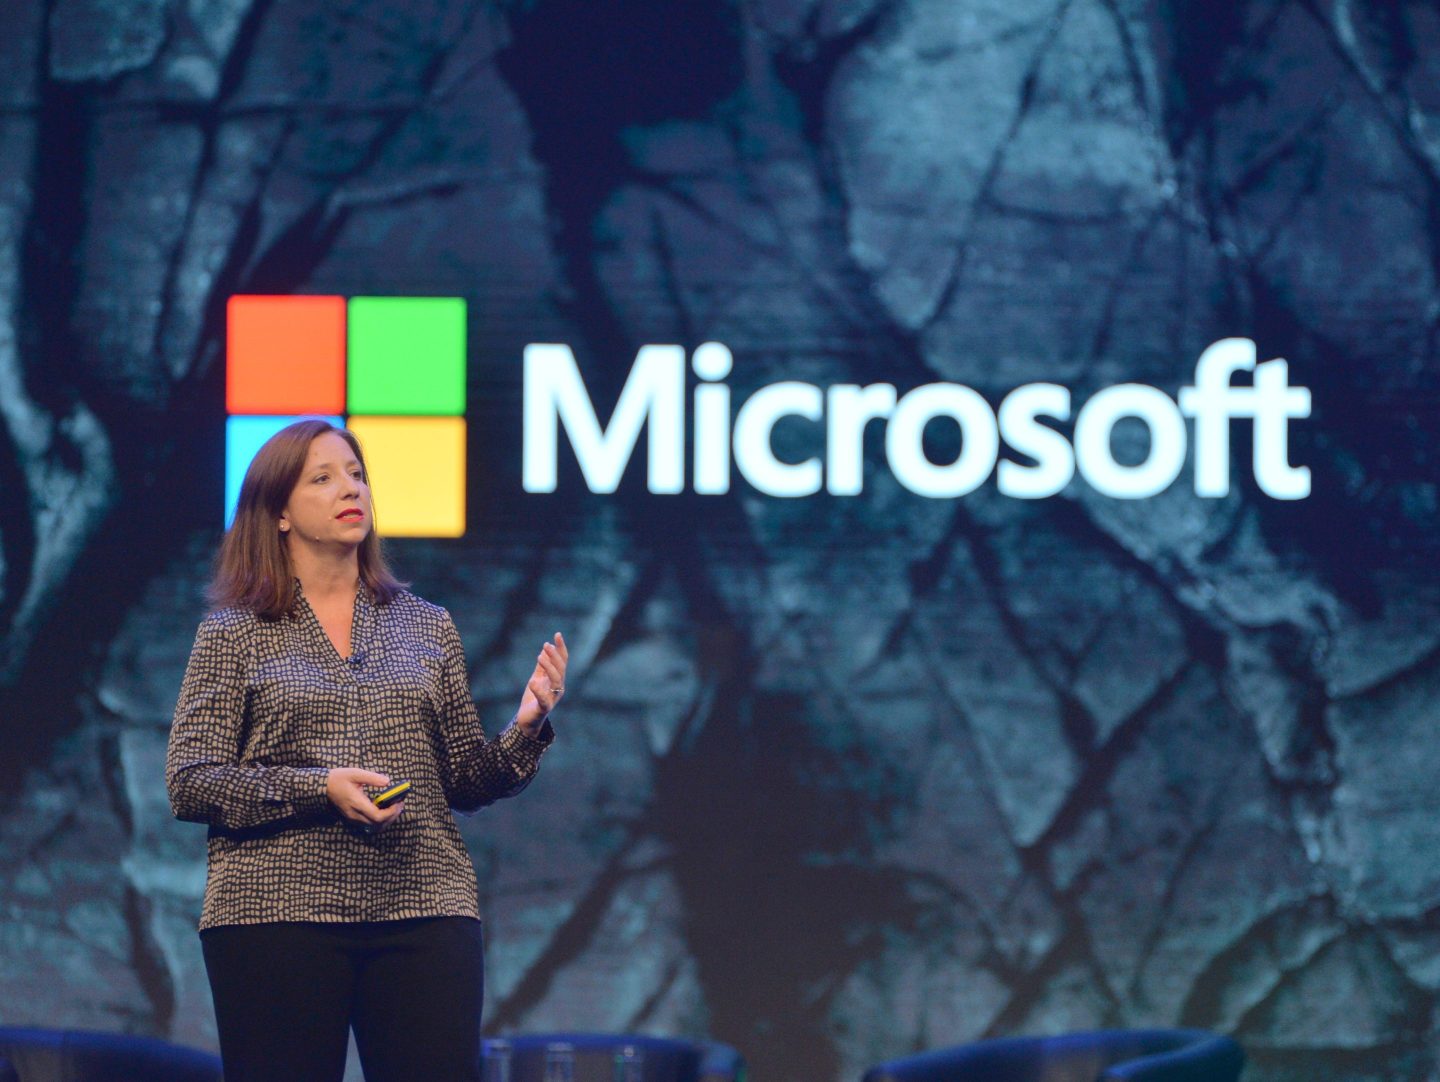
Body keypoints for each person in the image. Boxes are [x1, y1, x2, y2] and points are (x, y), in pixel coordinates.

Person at [165, 418, 568, 1082]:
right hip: (276, 911)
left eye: (356, 474)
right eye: (322, 479)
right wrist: (318, 788)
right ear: (280, 513)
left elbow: (465, 781)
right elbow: (191, 780)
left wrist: (526, 728)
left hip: (423, 905)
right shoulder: (233, 632)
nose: (350, 488)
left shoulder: (427, 624)